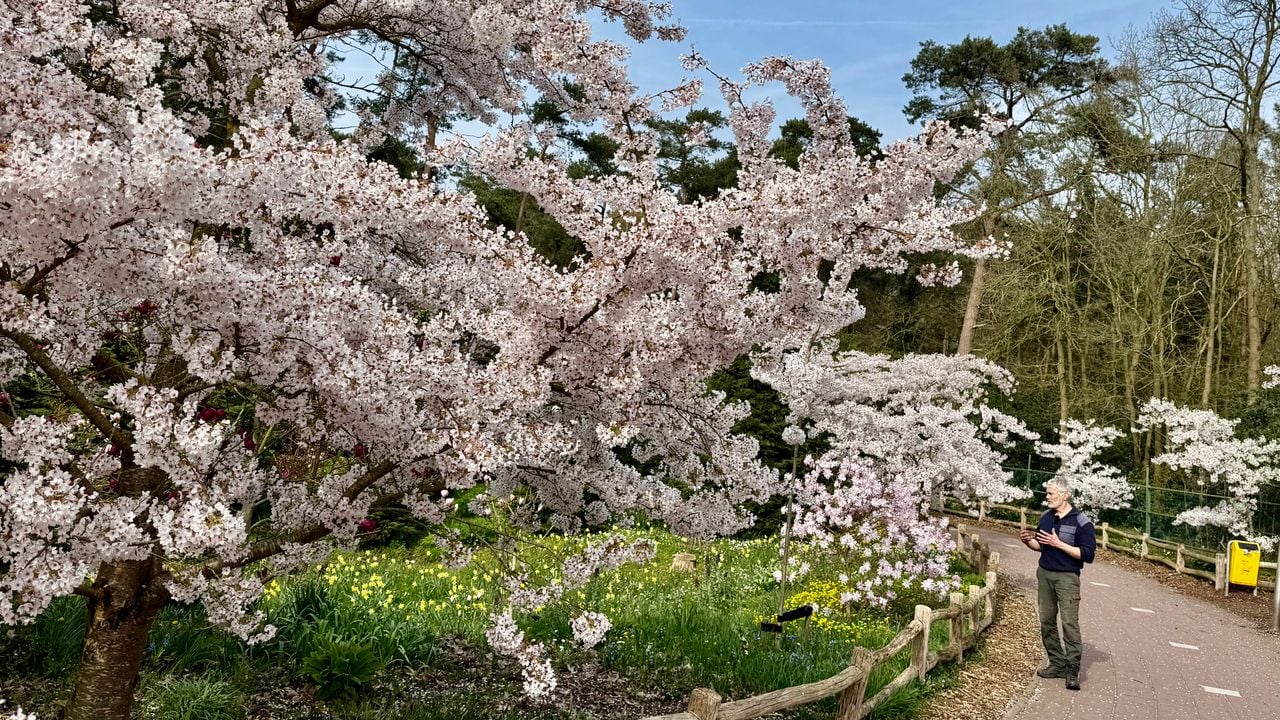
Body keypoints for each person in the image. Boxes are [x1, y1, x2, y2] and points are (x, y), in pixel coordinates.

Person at [1018, 478, 1096, 691]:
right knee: (1046, 621)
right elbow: (1041, 546)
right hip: (1044, 574)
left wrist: (1059, 544)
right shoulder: (1046, 517)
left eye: (1051, 494)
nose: (1047, 497)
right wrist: (1028, 541)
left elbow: (1088, 555)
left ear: (1065, 495)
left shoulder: (1081, 522)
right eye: (1047, 493)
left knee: (1069, 623)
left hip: (1067, 578)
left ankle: (1072, 669)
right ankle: (1057, 663)